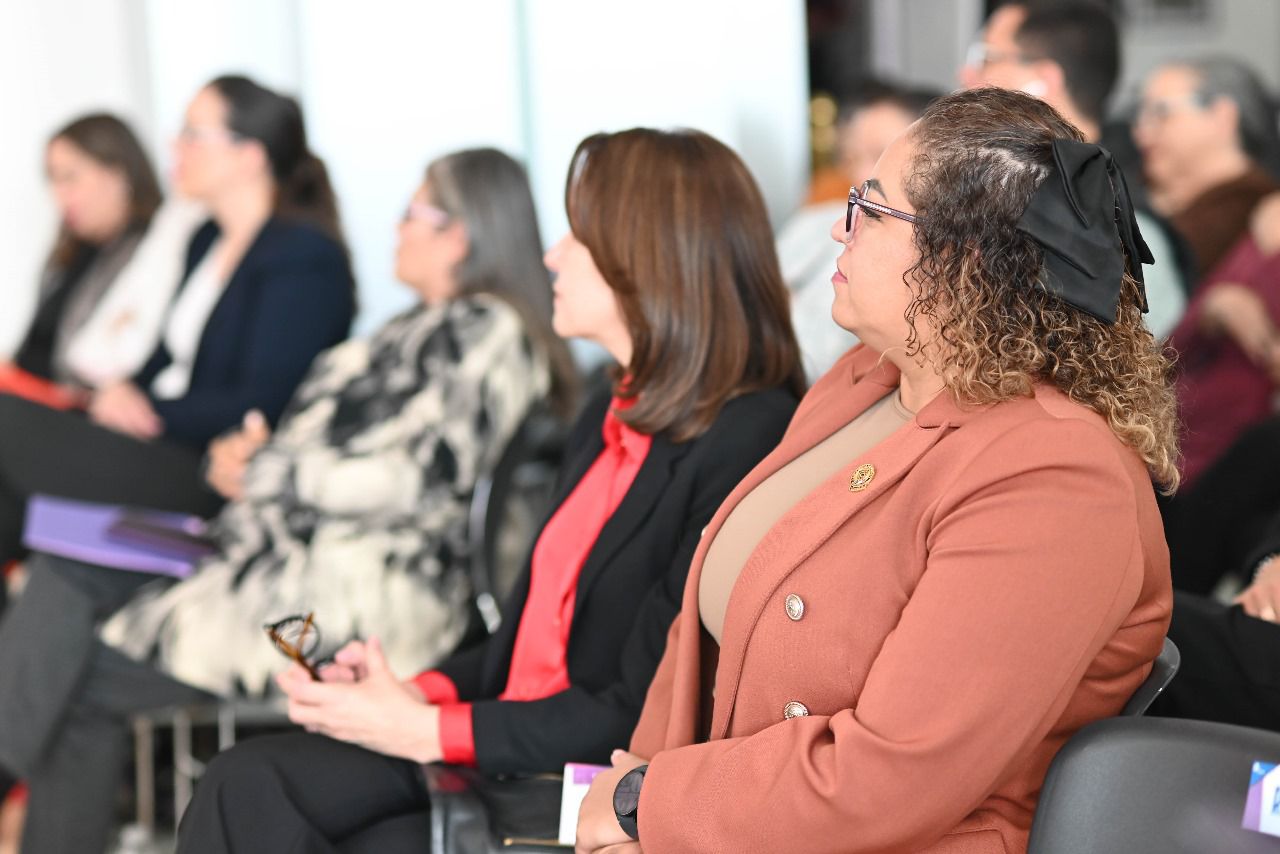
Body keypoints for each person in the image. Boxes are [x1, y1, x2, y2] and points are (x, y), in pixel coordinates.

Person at [576, 87, 1176, 854]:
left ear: (962, 258)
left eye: (870, 205)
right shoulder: (864, 377)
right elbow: (706, 632)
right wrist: (639, 797)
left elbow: (893, 773)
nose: (838, 225)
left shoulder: (1057, 476)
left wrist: (643, 803)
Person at [173, 127, 805, 853]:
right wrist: (418, 692)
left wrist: (424, 728)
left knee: (292, 805)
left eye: (579, 235)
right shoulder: (612, 407)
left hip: (594, 777)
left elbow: (638, 706)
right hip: (512, 736)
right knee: (248, 783)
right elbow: (526, 642)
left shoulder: (746, 438)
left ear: (649, 256)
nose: (551, 255)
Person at [0, 147, 576, 854]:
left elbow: (411, 479)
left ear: (460, 233)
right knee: (67, 603)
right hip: (288, 565)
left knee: (81, 682)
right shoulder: (418, 330)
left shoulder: (486, 334)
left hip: (343, 596)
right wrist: (252, 458)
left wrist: (270, 470)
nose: (395, 228)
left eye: (412, 212)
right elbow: (337, 454)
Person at [0, 75, 355, 581]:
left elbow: (266, 398)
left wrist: (150, 412)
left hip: (211, 470)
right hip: (159, 443)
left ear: (248, 155)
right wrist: (124, 393)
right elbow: (165, 361)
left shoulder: (303, 256)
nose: (176, 145)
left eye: (194, 133)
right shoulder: (206, 240)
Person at [961, 0, 1187, 337]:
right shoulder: (1098, 190)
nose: (967, 76)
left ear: (1043, 80)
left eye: (986, 58)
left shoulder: (1121, 226)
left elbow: (1149, 371)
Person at [777, 79, 939, 380]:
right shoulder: (815, 221)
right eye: (853, 157)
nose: (862, 175)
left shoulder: (923, 250)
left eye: (881, 155)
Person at [3, 113, 162, 404]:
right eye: (52, 180)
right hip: (28, 403)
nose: (58, 194)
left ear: (118, 174)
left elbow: (97, 374)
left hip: (69, 416)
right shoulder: (72, 251)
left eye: (70, 178)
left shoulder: (153, 253)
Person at [1134, 56, 1280, 281]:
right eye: (1141, 115)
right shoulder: (1146, 197)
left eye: (1161, 112)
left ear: (1222, 116)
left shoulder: (1259, 214)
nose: (1141, 133)